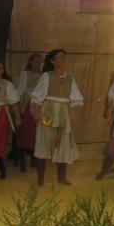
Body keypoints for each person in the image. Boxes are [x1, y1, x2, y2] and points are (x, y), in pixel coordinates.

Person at [31, 49, 83, 186]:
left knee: (62, 144)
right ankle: (40, 179)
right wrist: (36, 112)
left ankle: (62, 177)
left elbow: (76, 99)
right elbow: (37, 96)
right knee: (43, 143)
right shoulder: (46, 76)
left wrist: (77, 116)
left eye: (64, 57)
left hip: (63, 113)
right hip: (48, 112)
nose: (63, 59)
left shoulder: (70, 78)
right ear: (52, 61)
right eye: (59, 57)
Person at [16, 53, 43, 172]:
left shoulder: (43, 75)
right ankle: (22, 161)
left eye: (40, 62)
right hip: (27, 105)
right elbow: (20, 90)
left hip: (38, 107)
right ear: (31, 61)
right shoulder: (25, 74)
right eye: (36, 61)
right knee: (25, 132)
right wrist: (17, 106)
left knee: (36, 132)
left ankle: (34, 160)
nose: (38, 64)